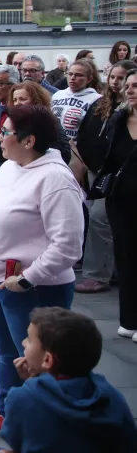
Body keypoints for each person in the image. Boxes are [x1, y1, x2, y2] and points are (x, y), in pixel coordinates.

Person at [0, 105, 83, 435]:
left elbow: (68, 246)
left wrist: (28, 280)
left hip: (33, 289)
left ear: (29, 141)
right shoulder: (11, 166)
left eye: (6, 132)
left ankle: (48, 423)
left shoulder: (56, 179)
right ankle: (6, 411)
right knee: (8, 353)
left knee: (40, 360)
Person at [0, 307, 137, 453]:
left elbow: (18, 444)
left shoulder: (22, 398)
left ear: (47, 360)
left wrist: (31, 384)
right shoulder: (110, 394)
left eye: (29, 339)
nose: (23, 342)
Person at [71, 61, 137, 294]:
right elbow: (86, 134)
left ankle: (97, 274)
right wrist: (86, 161)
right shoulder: (101, 104)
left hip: (120, 176)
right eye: (115, 78)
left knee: (100, 219)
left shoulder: (127, 111)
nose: (118, 83)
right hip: (97, 170)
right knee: (104, 220)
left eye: (124, 79)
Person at [101, 70, 137, 339]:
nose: (131, 90)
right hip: (121, 199)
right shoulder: (119, 118)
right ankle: (129, 318)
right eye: (129, 86)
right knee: (125, 257)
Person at [51, 57, 102, 140]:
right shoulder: (57, 95)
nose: (73, 78)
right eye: (70, 74)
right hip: (55, 144)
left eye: (79, 75)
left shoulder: (96, 99)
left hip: (77, 147)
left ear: (89, 79)